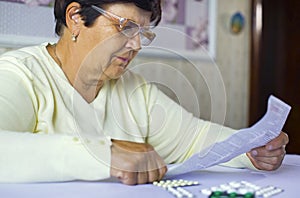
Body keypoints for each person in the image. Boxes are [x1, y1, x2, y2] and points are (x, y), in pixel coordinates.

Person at [0, 0, 289, 185]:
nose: (137, 45)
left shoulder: (134, 90)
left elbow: (194, 139)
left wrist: (249, 149)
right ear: (75, 17)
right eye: (126, 27)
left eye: (144, 33)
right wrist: (106, 154)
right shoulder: (19, 74)